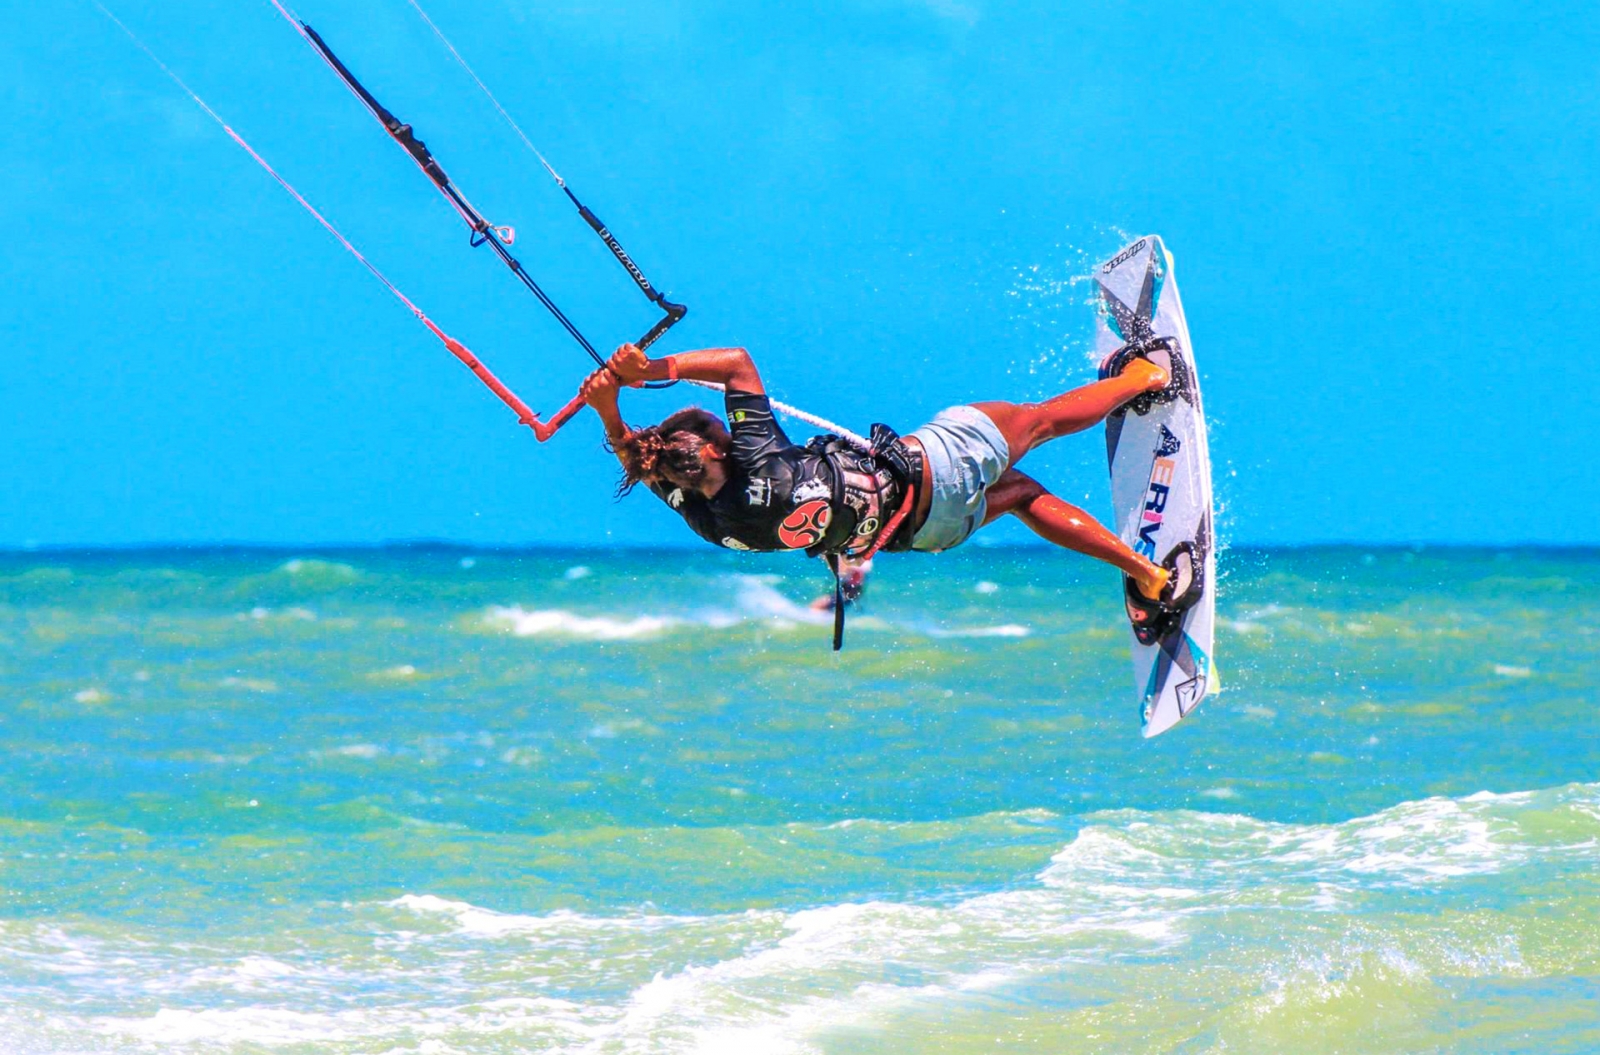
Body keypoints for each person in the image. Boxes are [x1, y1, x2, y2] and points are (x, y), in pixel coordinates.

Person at [579, 341, 1194, 632]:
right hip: (934, 468)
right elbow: (737, 361)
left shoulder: (710, 520)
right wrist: (649, 374)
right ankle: (1145, 376)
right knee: (1036, 421)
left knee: (1023, 496)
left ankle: (1150, 576)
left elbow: (648, 465)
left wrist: (607, 410)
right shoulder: (760, 459)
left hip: (923, 534)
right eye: (720, 426)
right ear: (720, 447)